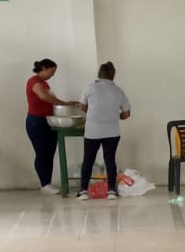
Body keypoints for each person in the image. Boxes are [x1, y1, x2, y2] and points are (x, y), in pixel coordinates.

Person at [24, 57, 80, 193]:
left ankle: (47, 183)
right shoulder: (34, 82)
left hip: (48, 121)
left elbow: (51, 100)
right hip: (36, 122)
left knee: (49, 153)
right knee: (42, 153)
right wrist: (64, 104)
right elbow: (45, 97)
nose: (53, 75)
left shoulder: (44, 83)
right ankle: (45, 184)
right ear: (43, 68)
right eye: (51, 72)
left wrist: (65, 105)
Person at [78, 61, 130, 200]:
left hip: (92, 131)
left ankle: (83, 191)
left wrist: (93, 112)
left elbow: (82, 106)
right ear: (113, 75)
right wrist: (114, 116)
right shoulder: (118, 91)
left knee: (88, 160)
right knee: (110, 160)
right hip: (112, 132)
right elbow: (126, 114)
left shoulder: (90, 88)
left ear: (99, 74)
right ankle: (111, 191)